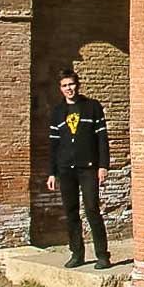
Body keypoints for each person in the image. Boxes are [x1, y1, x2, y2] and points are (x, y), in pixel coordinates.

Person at [46, 69, 111, 269]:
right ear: (60, 89)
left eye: (71, 84)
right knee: (71, 211)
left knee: (92, 209)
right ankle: (77, 253)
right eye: (65, 86)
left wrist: (103, 166)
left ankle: (102, 255)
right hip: (66, 169)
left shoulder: (92, 107)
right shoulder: (57, 113)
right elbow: (54, 145)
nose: (69, 89)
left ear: (78, 85)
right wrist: (52, 172)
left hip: (88, 168)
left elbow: (102, 139)